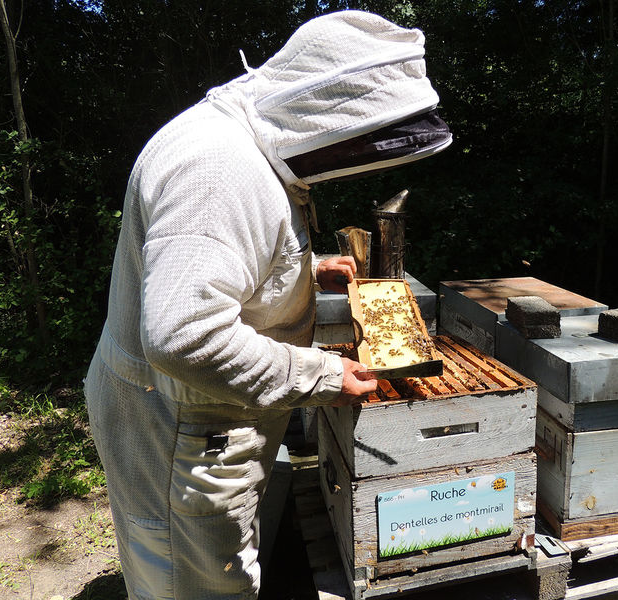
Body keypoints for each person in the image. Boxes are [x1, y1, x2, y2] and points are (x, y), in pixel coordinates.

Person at [83, 10, 451, 600]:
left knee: (188, 566)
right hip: (182, 427)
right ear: (331, 111)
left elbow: (224, 261)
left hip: (198, 416)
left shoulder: (242, 145)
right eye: (359, 139)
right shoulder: (218, 168)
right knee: (192, 584)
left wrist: (305, 271)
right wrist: (324, 373)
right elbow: (185, 336)